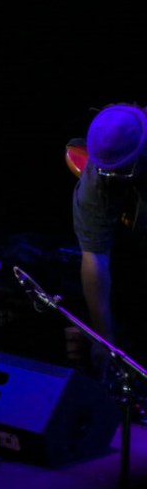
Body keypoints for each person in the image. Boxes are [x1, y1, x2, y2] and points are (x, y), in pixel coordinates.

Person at [72, 103, 147, 381]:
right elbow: (95, 256)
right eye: (107, 171)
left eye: (121, 171)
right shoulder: (98, 178)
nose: (110, 177)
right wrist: (104, 341)